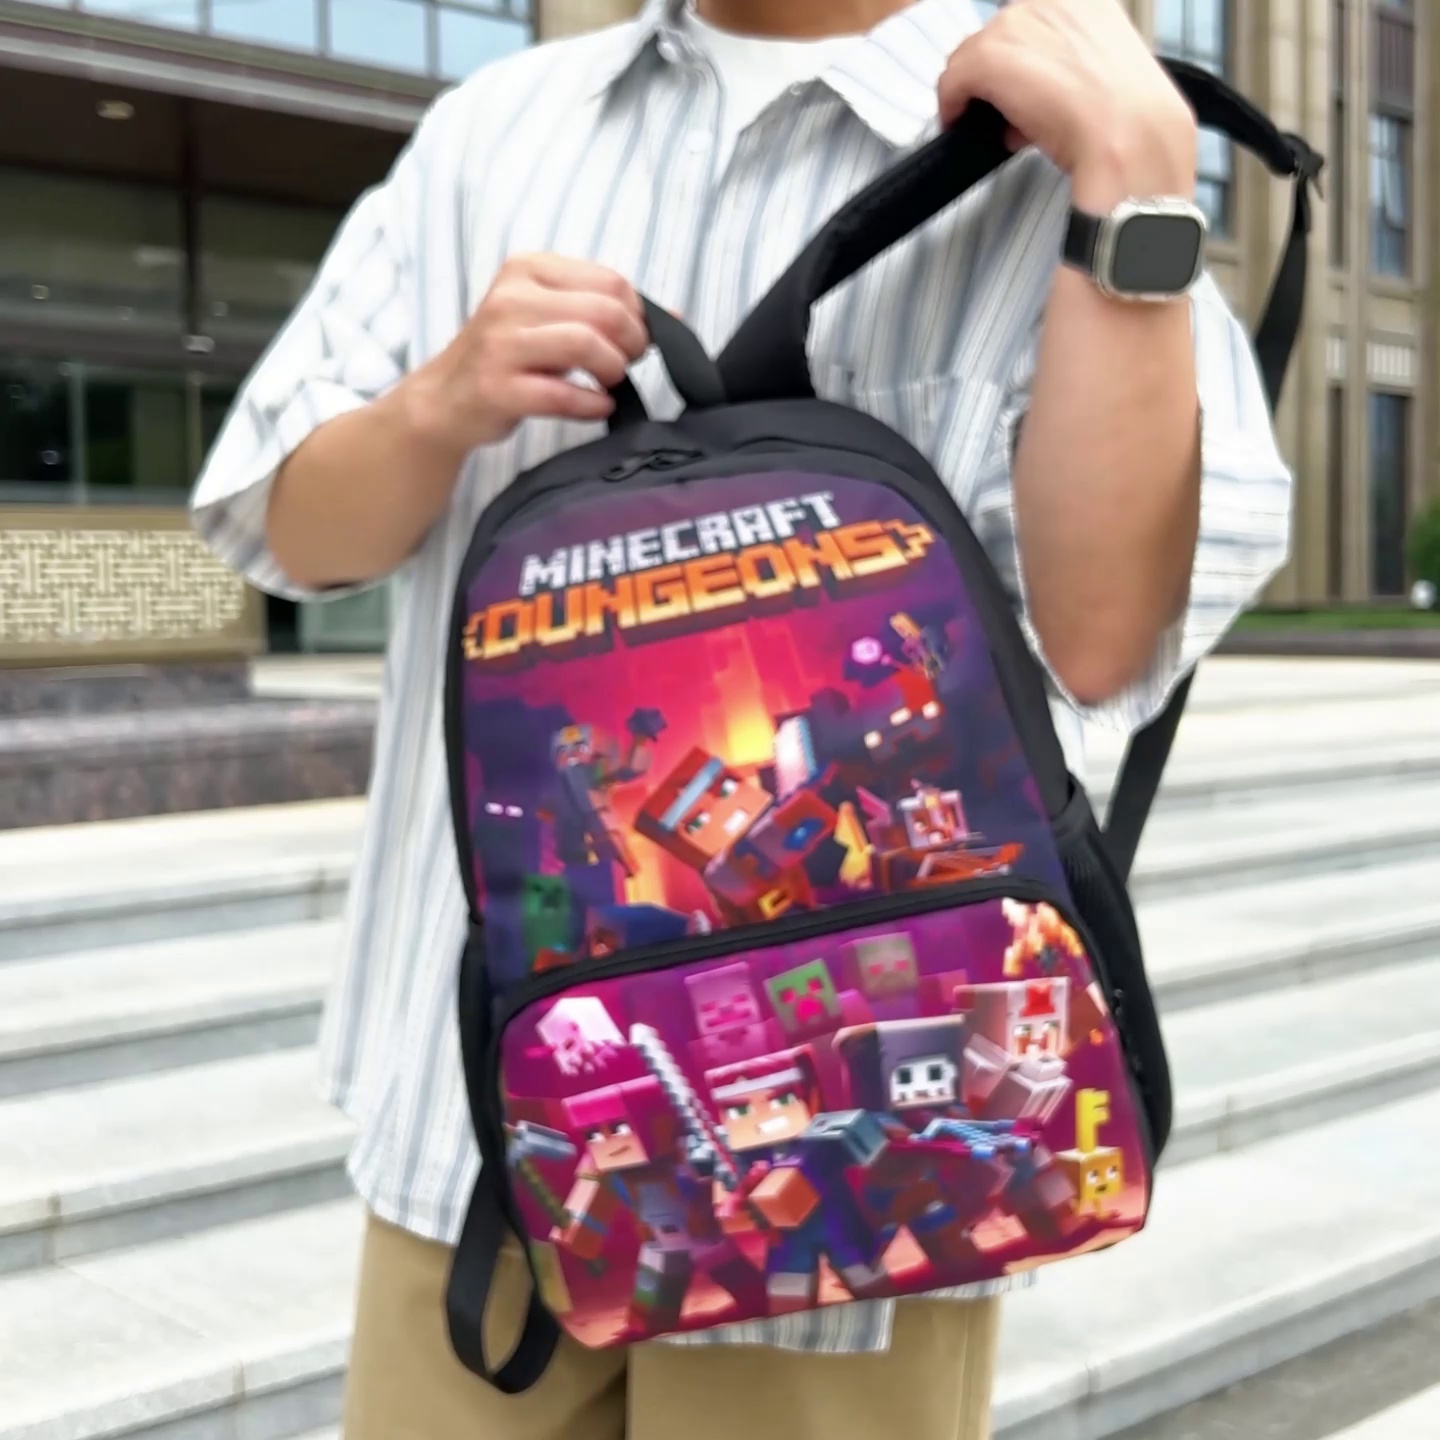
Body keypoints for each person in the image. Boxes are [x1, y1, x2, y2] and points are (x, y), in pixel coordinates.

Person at [190, 1, 1293, 1437]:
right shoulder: (492, 131)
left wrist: (1137, 184)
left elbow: (1100, 646)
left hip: (866, 1206)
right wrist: (437, 406)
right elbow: (282, 534)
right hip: (476, 1140)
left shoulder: (1074, 129)